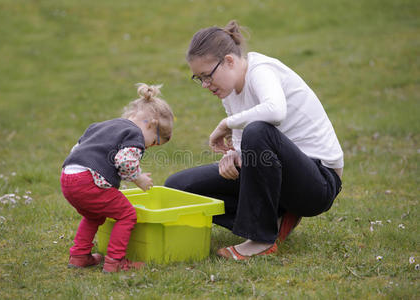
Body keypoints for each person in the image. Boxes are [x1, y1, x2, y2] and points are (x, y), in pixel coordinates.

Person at [165, 20, 343, 260]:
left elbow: (275, 112)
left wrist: (225, 124)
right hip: (279, 178)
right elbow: (243, 143)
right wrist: (233, 156)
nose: (206, 85)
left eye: (207, 76)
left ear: (229, 61)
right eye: (199, 79)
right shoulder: (228, 91)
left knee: (258, 131)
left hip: (318, 182)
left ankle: (261, 238)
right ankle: (277, 218)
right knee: (178, 187)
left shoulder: (261, 70)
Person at [61, 83, 174, 272]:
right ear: (151, 124)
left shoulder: (104, 126)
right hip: (88, 180)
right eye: (154, 142)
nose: (148, 147)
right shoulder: (135, 135)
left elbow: (79, 149)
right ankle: (115, 261)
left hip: (68, 176)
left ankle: (79, 256)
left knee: (93, 215)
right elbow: (124, 161)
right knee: (127, 214)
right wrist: (139, 179)